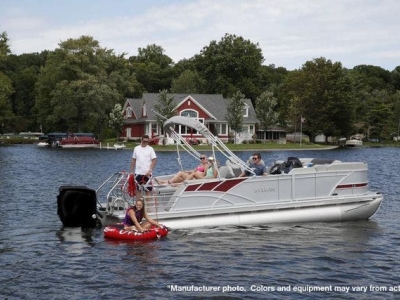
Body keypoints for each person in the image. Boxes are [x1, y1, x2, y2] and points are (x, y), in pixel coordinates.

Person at [129, 135, 157, 200]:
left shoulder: (150, 149)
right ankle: (139, 207)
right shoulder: (136, 148)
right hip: (138, 173)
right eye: (144, 141)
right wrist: (131, 171)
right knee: (138, 190)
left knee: (148, 190)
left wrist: (150, 170)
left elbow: (154, 160)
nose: (145, 143)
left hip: (147, 173)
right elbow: (133, 160)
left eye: (147, 141)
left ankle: (148, 208)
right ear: (141, 140)